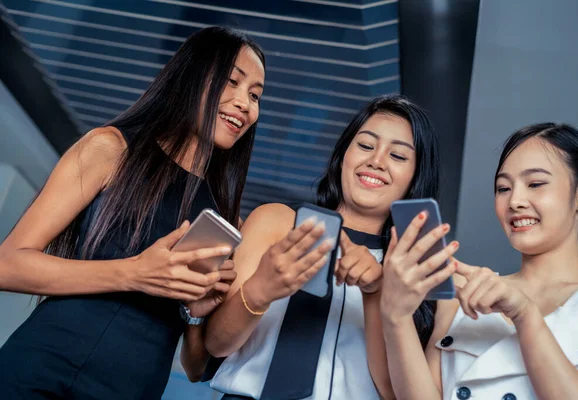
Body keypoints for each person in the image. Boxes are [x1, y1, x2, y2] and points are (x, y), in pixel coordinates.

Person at [0, 27, 265, 399]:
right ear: (191, 77)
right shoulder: (111, 148)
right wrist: (134, 273)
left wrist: (196, 312)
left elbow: (195, 368)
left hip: (134, 387)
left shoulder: (227, 223)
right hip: (41, 369)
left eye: (255, 95)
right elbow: (8, 265)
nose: (244, 103)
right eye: (231, 82)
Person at [196, 94, 441, 399]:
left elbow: (395, 393)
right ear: (344, 155)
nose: (376, 161)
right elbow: (216, 345)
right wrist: (262, 288)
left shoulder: (418, 270)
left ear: (417, 175)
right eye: (365, 145)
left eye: (398, 156)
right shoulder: (275, 222)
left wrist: (375, 291)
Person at [381, 122, 578, 399]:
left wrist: (525, 315)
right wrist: (395, 316)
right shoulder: (461, 292)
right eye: (503, 188)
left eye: (535, 184)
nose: (515, 201)